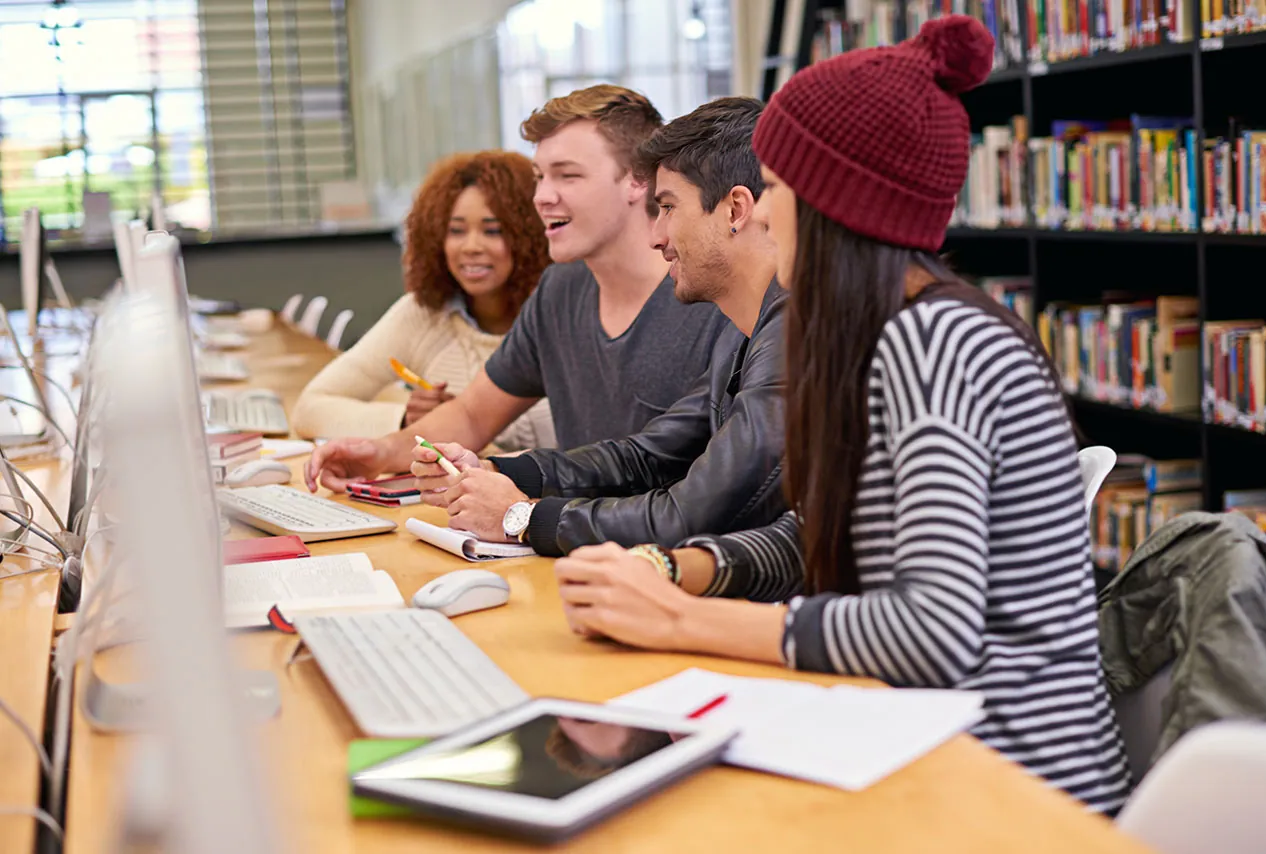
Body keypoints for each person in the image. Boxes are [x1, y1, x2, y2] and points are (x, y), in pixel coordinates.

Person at [551, 17, 1132, 815]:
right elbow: (816, 531)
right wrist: (681, 569)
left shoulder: (936, 346)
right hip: (919, 738)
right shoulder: (891, 334)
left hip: (1009, 786)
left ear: (836, 204)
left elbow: (933, 631)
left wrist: (685, 622)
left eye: (781, 190)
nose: (762, 214)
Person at [304, 85, 730, 494]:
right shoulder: (559, 290)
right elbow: (472, 415)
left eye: (566, 176)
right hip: (568, 541)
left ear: (638, 180)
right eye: (540, 177)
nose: (542, 197)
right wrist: (379, 453)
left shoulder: (710, 300)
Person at [411, 97, 787, 556]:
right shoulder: (745, 333)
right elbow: (646, 455)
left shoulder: (792, 333)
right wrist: (500, 473)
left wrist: (522, 518)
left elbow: (687, 514)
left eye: (667, 207)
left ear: (735, 210)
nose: (657, 235)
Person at [290, 151, 556, 450]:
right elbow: (311, 408)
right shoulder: (424, 314)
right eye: (455, 231)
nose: (470, 247)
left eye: (492, 231)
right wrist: (406, 420)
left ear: (530, 236)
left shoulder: (562, 317)